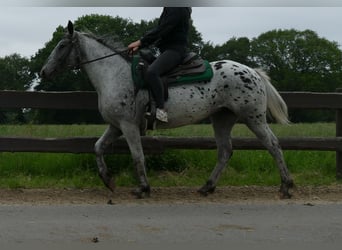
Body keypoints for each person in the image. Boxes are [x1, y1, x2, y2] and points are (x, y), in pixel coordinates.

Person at [128, 7, 192, 122]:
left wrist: (141, 41)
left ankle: (161, 110)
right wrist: (141, 45)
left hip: (175, 50)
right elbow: (162, 33)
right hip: (165, 49)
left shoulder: (178, 8)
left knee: (152, 72)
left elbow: (163, 29)